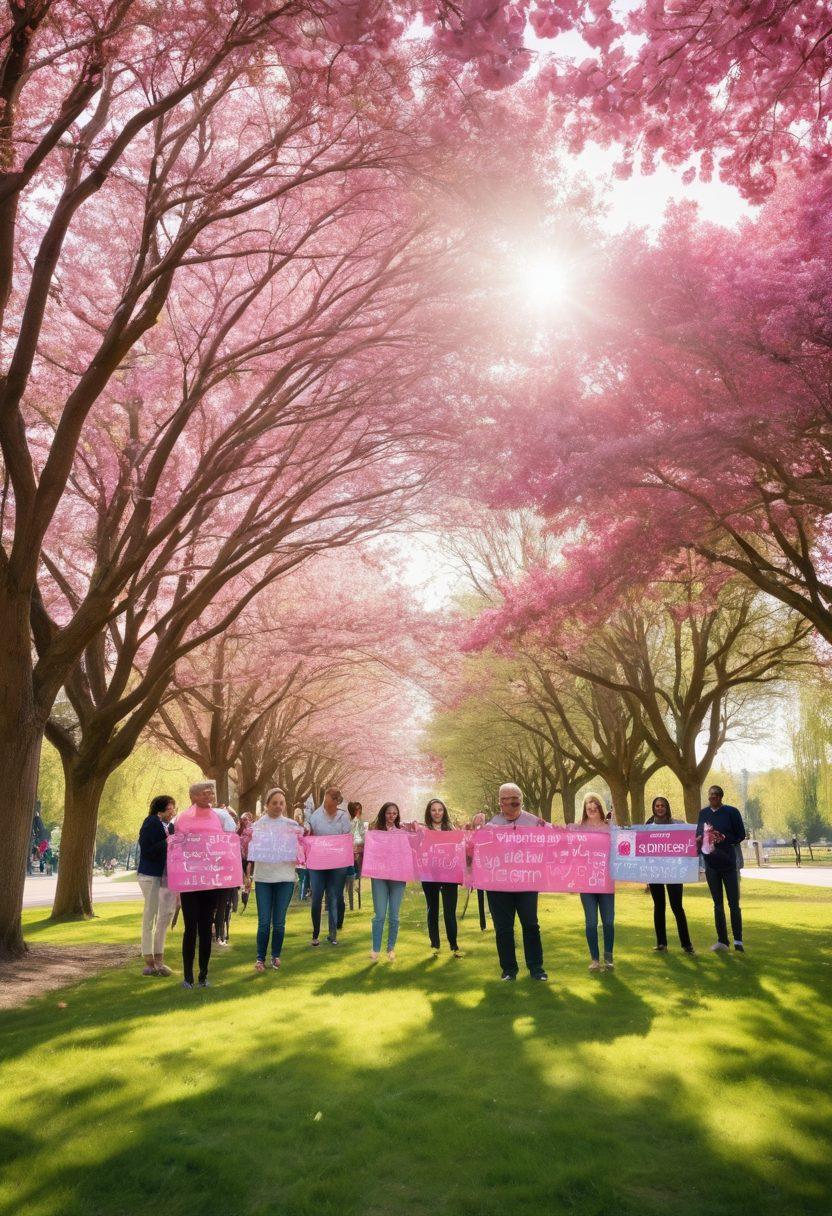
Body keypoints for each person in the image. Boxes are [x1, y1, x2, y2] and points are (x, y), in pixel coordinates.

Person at [480, 784, 548, 982]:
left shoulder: (535, 822)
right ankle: (509, 970)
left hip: (526, 883)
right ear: (501, 802)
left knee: (530, 924)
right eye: (509, 797)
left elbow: (553, 840)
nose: (514, 800)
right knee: (503, 928)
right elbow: (478, 850)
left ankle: (537, 969)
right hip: (498, 885)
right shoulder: (491, 825)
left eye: (517, 796)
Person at [175, 781, 238, 988]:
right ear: (192, 796)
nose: (209, 795)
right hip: (190, 882)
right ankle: (187, 977)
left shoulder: (220, 817)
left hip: (211, 882)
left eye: (211, 792)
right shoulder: (182, 818)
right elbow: (176, 846)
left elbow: (228, 842)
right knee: (190, 928)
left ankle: (203, 975)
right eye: (204, 793)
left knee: (205, 928)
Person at [245, 787, 302, 972]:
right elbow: (250, 851)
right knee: (263, 923)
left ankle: (275, 955)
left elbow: (300, 852)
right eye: (274, 803)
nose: (278, 806)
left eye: (281, 803)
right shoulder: (258, 826)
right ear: (267, 804)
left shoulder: (292, 826)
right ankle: (260, 958)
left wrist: (302, 840)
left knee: (278, 922)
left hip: (285, 878)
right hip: (263, 879)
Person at [696, 785, 747, 952]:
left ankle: (738, 941)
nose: (713, 797)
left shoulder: (732, 812)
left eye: (716, 795)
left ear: (721, 797)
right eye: (711, 795)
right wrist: (699, 839)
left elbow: (740, 834)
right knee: (717, 903)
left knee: (733, 903)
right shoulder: (703, 814)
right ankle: (722, 941)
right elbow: (699, 833)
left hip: (729, 864)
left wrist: (723, 837)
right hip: (711, 865)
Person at [645, 796, 694, 954]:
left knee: (677, 907)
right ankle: (661, 944)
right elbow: (642, 849)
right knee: (659, 907)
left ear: (667, 807)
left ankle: (686, 945)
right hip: (654, 871)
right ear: (654, 808)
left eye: (663, 805)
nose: (660, 808)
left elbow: (689, 838)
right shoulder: (647, 826)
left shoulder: (677, 824)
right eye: (657, 806)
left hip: (673, 871)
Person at [136, 794, 178, 976]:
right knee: (150, 915)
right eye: (170, 809)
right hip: (150, 875)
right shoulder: (151, 822)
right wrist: (167, 842)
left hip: (165, 876)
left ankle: (159, 958)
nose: (173, 812)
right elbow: (146, 850)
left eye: (174, 808)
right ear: (160, 809)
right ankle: (149, 959)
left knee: (165, 915)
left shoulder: (170, 826)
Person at [305, 786, 351, 946]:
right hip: (318, 863)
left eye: (330, 801)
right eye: (326, 799)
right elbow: (310, 833)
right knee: (316, 897)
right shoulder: (316, 816)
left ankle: (333, 935)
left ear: (336, 801)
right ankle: (315, 934)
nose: (327, 803)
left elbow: (346, 838)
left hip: (337, 865)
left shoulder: (343, 817)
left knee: (333, 896)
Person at [368, 802, 412, 961]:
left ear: (397, 815)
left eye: (394, 813)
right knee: (379, 914)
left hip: (398, 877)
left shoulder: (402, 833)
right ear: (383, 814)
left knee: (394, 915)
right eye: (388, 813)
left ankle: (391, 948)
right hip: (379, 876)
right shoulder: (375, 833)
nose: (391, 816)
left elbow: (409, 851)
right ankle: (375, 949)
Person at [421, 798, 463, 958]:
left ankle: (454, 945)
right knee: (432, 910)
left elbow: (459, 851)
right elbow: (418, 849)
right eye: (433, 810)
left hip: (449, 874)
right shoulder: (423, 831)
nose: (437, 813)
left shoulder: (452, 829)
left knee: (449, 911)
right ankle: (435, 945)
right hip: (429, 874)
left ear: (444, 812)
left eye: (440, 810)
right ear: (429, 812)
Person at [578, 793, 616, 972]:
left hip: (606, 881)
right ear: (585, 810)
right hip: (586, 883)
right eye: (588, 808)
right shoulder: (579, 828)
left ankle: (608, 959)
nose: (592, 810)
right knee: (591, 922)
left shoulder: (610, 828)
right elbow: (560, 835)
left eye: (595, 807)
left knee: (608, 921)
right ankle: (595, 959)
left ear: (600, 808)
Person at [344, 801, 365, 915]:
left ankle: (352, 891)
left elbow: (362, 838)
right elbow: (359, 838)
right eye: (357, 810)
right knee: (351, 875)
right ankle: (349, 897)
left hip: (356, 855)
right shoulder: (351, 823)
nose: (358, 812)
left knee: (355, 874)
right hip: (350, 855)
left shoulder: (357, 823)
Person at [293, 807, 310, 899]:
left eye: (300, 814)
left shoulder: (301, 827)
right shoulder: (296, 827)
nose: (299, 816)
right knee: (301, 877)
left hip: (300, 852)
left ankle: (301, 895)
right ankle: (301, 895)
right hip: (298, 853)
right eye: (298, 814)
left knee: (302, 876)